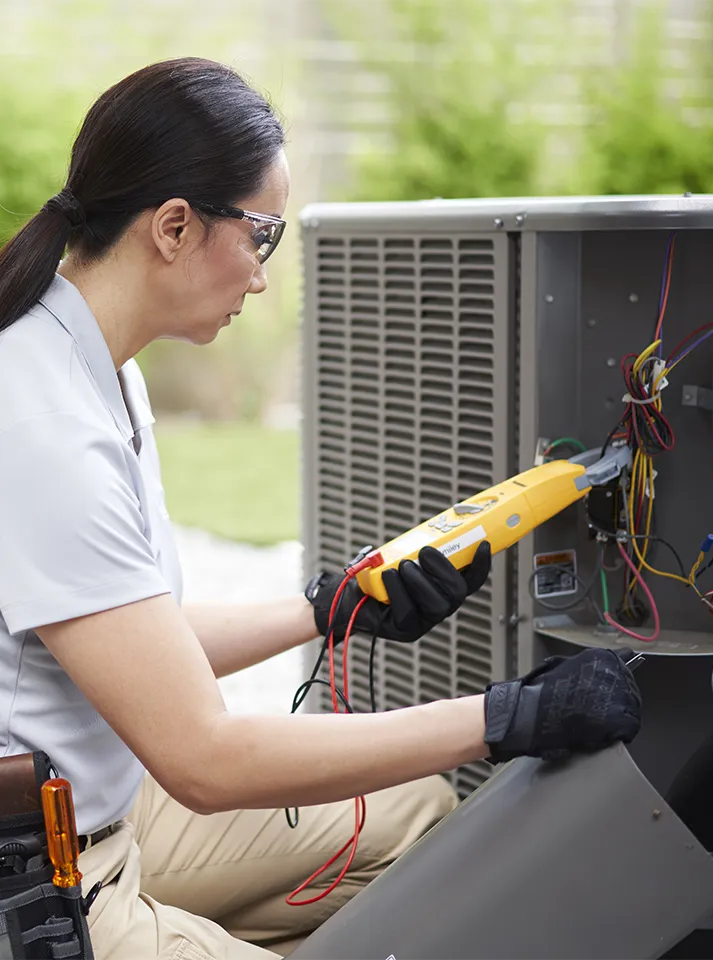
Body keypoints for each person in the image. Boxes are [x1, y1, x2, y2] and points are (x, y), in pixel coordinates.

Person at [0, 57, 642, 960]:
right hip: (47, 883)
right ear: (175, 226)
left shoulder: (99, 368)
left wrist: (332, 606)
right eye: (261, 235)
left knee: (418, 813)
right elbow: (206, 759)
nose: (263, 276)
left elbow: (139, 639)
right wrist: (507, 716)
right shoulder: (44, 421)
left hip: (111, 816)